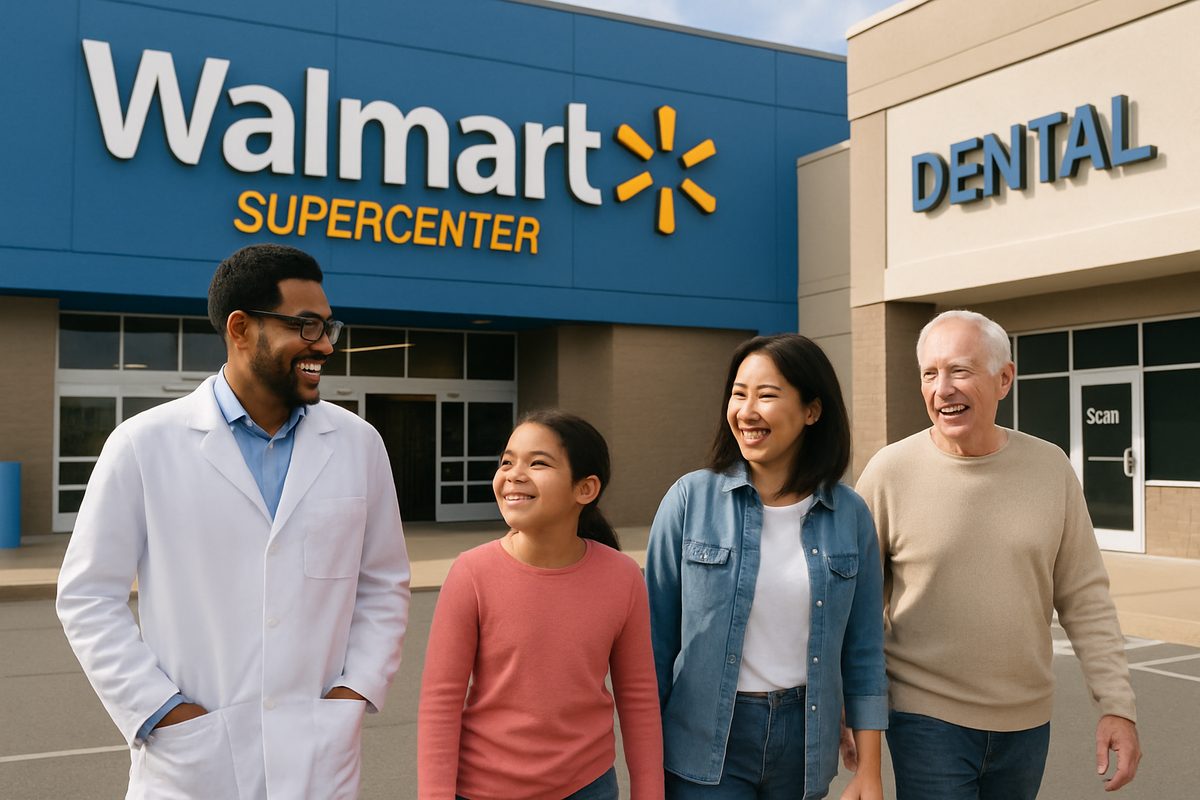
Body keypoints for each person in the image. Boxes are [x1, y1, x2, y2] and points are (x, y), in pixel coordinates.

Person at [56, 244, 411, 799]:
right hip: (192, 761)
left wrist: (355, 690)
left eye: (328, 327)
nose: (324, 344)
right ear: (241, 329)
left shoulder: (358, 444)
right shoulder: (144, 444)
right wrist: (161, 709)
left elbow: (384, 583)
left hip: (318, 755)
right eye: (306, 325)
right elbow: (87, 596)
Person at [855, 309, 1142, 799]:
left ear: (1004, 378)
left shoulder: (1051, 468)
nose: (942, 389)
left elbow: (1085, 597)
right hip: (925, 716)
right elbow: (855, 604)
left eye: (959, 371)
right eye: (930, 374)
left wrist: (1117, 705)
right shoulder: (889, 472)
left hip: (1026, 724)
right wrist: (851, 707)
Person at [646, 334, 887, 799]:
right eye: (739, 394)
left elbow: (864, 651)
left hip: (804, 740)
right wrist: (645, 768)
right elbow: (653, 646)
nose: (747, 411)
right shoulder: (689, 500)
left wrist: (870, 773)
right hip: (704, 739)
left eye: (767, 395)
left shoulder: (850, 515)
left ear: (812, 410)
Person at [417, 410, 664, 800]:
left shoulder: (622, 577)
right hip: (483, 789)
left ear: (585, 489)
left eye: (537, 463)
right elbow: (440, 702)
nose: (514, 474)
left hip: (588, 787)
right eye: (507, 462)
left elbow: (638, 697)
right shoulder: (471, 573)